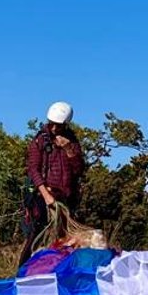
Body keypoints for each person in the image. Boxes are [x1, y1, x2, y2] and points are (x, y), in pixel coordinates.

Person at [22, 101, 88, 256]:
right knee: (37, 235)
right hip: (44, 196)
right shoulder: (39, 141)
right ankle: (22, 273)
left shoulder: (72, 142)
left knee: (64, 239)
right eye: (52, 124)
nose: (54, 129)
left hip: (65, 198)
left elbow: (79, 169)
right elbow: (33, 169)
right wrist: (46, 196)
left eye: (58, 125)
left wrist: (68, 149)